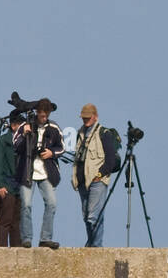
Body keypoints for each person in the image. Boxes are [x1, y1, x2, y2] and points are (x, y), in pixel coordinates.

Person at [71, 103, 122, 248]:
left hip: (97, 180)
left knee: (94, 216)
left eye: (88, 118)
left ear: (95, 117)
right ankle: (92, 245)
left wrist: (100, 174)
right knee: (86, 217)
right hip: (82, 181)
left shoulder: (104, 133)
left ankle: (95, 246)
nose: (85, 121)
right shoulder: (80, 133)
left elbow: (110, 158)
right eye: (84, 118)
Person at [16, 99, 63, 249]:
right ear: (37, 113)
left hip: (46, 172)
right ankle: (26, 238)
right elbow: (16, 145)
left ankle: (45, 238)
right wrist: (25, 135)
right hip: (27, 171)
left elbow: (62, 147)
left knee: (52, 203)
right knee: (26, 205)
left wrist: (51, 152)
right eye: (41, 115)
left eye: (46, 115)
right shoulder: (25, 125)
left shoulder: (54, 127)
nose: (44, 118)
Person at [0, 111, 25, 247]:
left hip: (18, 188)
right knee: (5, 220)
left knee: (17, 222)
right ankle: (1, 251)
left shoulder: (21, 143)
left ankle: (17, 250)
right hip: (6, 187)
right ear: (14, 125)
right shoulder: (2, 142)